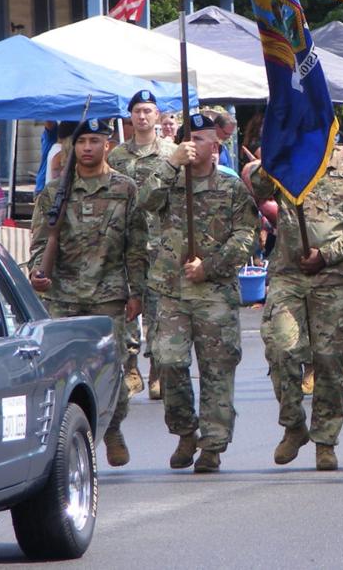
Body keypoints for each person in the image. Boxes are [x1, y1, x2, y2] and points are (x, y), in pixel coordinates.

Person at [137, 113, 258, 472]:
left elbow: (245, 235)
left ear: (215, 146)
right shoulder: (170, 178)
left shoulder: (231, 186)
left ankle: (212, 445)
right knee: (169, 362)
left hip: (214, 292)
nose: (191, 144)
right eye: (186, 138)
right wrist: (172, 163)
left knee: (217, 369)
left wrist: (211, 265)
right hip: (171, 291)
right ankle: (185, 430)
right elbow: (144, 201)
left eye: (200, 139)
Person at [252, 141, 343, 471]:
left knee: (330, 361)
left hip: (333, 275)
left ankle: (325, 439)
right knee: (281, 349)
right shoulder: (286, 164)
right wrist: (275, 158)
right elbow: (259, 191)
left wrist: (326, 254)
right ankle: (293, 425)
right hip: (288, 274)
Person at [28, 118, 145, 467]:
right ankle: (65, 440)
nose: (88, 148)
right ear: (71, 148)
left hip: (107, 295)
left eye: (95, 140)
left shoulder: (125, 189)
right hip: (62, 296)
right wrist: (37, 273)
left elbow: (136, 247)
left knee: (114, 369)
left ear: (107, 145)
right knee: (59, 373)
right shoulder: (52, 194)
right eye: (82, 142)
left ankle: (111, 428)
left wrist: (137, 293)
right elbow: (39, 242)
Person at [109, 90, 177, 399]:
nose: (142, 116)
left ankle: (158, 371)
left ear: (158, 116)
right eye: (137, 111)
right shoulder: (117, 157)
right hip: (125, 243)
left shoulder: (171, 154)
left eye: (148, 110)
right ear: (130, 116)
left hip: (161, 243)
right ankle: (130, 366)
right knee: (127, 305)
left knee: (159, 310)